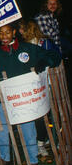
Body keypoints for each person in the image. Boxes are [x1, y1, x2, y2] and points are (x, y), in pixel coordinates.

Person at [0, 23, 62, 165]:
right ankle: (4, 160)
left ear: (14, 32)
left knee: (28, 129)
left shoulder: (27, 49)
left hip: (24, 100)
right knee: (2, 129)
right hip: (3, 99)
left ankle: (33, 161)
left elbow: (54, 55)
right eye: (1, 33)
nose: (4, 36)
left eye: (7, 32)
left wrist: (44, 62)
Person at [18, 19, 59, 157]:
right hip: (32, 87)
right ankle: (40, 143)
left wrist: (45, 61)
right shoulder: (23, 46)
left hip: (48, 83)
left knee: (52, 114)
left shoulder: (45, 43)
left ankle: (55, 140)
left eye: (22, 29)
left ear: (28, 29)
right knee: (38, 116)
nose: (20, 32)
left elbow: (56, 56)